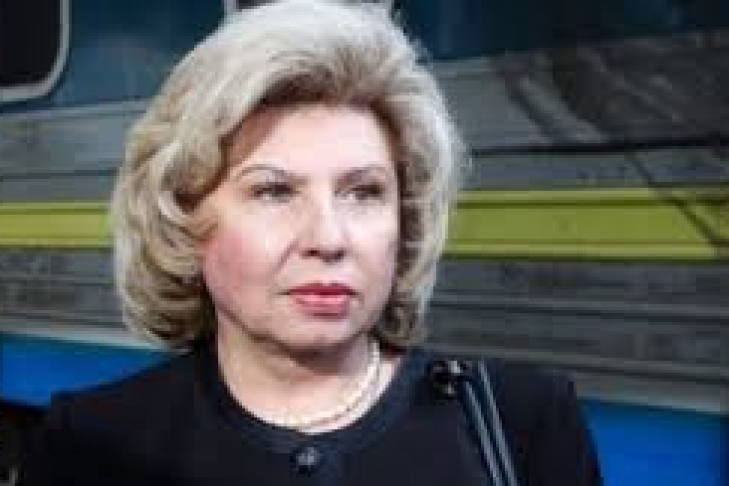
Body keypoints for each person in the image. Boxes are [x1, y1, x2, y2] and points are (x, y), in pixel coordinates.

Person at [18, 1, 602, 484]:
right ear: (185, 218)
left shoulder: (522, 423)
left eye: (364, 192)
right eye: (274, 192)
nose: (329, 238)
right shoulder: (92, 443)